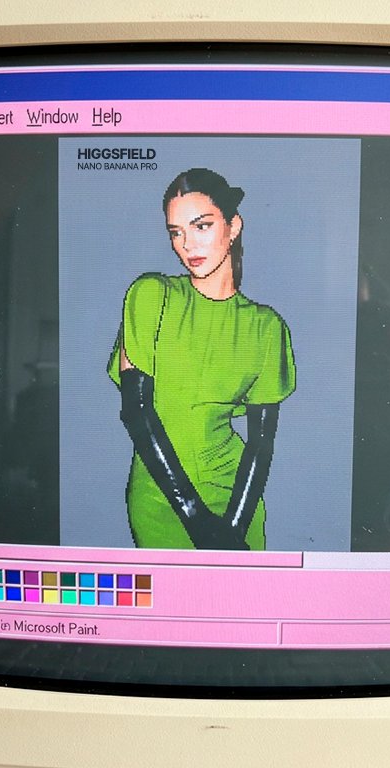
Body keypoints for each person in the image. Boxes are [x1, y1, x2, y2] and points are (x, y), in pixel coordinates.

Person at [107, 168, 295, 550]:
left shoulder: (266, 326)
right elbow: (137, 412)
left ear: (233, 226)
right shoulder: (150, 296)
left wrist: (235, 527)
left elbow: (261, 444)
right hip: (162, 501)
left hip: (233, 499)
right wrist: (196, 518)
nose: (188, 245)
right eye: (176, 232)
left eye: (202, 226)